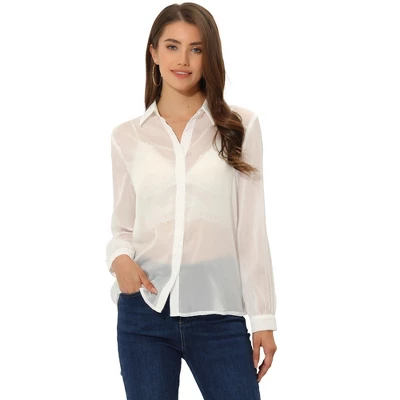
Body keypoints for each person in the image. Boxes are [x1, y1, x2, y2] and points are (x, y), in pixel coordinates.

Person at [105, 2, 278, 399]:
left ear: (209, 56)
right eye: (172, 46)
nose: (183, 60)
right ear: (153, 52)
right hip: (145, 312)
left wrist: (263, 317)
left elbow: (251, 230)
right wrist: (119, 260)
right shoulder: (127, 137)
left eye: (196, 49)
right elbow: (123, 228)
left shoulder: (240, 127)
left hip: (218, 314)